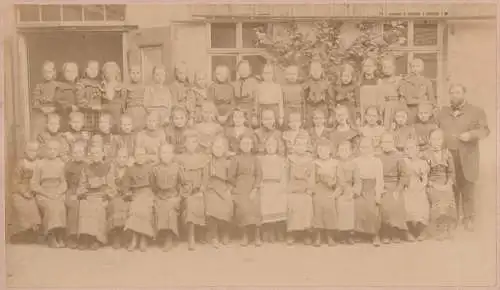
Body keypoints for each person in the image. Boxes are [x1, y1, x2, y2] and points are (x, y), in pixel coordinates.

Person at [437, 84, 490, 231]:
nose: (455, 95)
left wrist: (471, 135)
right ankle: (453, 219)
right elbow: (435, 130)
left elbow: (485, 130)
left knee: (467, 187)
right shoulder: (442, 112)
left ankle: (469, 219)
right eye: (452, 92)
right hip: (448, 155)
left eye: (458, 92)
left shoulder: (476, 111)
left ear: (464, 94)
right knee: (450, 187)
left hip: (467, 155)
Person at [76, 145, 115, 250]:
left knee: (98, 208)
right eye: (93, 153)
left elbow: (111, 186)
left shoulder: (108, 167)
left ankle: (97, 239)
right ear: (90, 156)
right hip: (89, 195)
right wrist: (82, 194)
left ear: (103, 154)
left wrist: (107, 197)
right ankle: (85, 237)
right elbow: (82, 184)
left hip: (101, 196)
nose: (95, 155)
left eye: (97, 153)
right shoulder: (86, 168)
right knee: (84, 205)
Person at [30, 139, 68, 248]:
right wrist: (46, 193)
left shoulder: (61, 164)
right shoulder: (39, 164)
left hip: (57, 191)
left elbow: (64, 182)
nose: (52, 151)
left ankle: (59, 234)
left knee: (60, 206)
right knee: (50, 206)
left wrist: (59, 192)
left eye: (55, 149)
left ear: (58, 151)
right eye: (50, 149)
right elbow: (34, 184)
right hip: (43, 192)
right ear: (45, 150)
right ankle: (51, 235)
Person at [229, 133, 263, 247]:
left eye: (249, 143)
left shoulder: (255, 159)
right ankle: (245, 235)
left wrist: (254, 189)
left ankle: (257, 235)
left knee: (255, 204)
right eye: (244, 143)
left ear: (252, 145)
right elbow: (231, 176)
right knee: (242, 206)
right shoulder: (236, 159)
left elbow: (259, 175)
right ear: (240, 145)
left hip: (253, 186)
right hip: (240, 187)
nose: (246, 145)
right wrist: (237, 187)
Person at [178, 130, 210, 251]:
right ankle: (191, 235)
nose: (192, 145)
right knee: (191, 202)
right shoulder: (180, 159)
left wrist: (202, 187)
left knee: (202, 199)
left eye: (195, 142)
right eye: (189, 142)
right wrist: (186, 187)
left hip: (199, 189)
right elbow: (180, 176)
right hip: (186, 189)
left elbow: (205, 176)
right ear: (185, 144)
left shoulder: (202, 158)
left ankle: (201, 232)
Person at [424, 129, 456, 240]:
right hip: (431, 183)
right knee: (438, 197)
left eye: (439, 139)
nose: (436, 142)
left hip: (445, 182)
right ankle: (439, 229)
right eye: (433, 139)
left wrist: (448, 184)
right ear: (429, 140)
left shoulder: (447, 153)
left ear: (442, 141)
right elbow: (423, 175)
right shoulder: (425, 154)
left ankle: (448, 227)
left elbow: (451, 172)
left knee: (448, 194)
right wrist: (432, 184)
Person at [123, 147, 155, 252]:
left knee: (145, 210)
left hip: (147, 193)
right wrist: (128, 193)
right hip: (135, 193)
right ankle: (134, 239)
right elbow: (126, 185)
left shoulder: (150, 168)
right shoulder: (129, 169)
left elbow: (153, 184)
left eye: (142, 155)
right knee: (135, 209)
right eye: (138, 155)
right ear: (134, 157)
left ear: (145, 156)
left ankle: (143, 238)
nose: (140, 157)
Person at [378, 132, 409, 243]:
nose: (387, 144)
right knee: (384, 204)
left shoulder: (399, 156)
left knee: (397, 202)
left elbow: (404, 175)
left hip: (395, 185)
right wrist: (380, 187)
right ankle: (385, 232)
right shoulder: (378, 156)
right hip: (382, 185)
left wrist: (398, 189)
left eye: (389, 142)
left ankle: (395, 232)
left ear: (393, 143)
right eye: (384, 142)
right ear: (380, 144)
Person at [353, 137, 384, 246]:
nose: (364, 150)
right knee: (357, 205)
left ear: (372, 148)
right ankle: (359, 233)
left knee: (372, 207)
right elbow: (354, 179)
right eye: (362, 147)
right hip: (359, 187)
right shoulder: (355, 161)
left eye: (367, 147)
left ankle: (375, 234)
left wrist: (378, 194)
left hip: (372, 187)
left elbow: (379, 180)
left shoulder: (376, 161)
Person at [286, 131, 315, 245]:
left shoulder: (310, 160)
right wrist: (287, 188)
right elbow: (286, 174)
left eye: (302, 144)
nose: (300, 147)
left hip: (304, 187)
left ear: (306, 146)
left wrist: (310, 189)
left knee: (307, 202)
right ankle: (291, 233)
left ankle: (305, 233)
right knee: (292, 203)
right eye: (297, 144)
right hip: (292, 187)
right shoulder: (290, 159)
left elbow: (312, 176)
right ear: (293, 146)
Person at [10, 141, 42, 244]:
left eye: (35, 150)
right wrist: (24, 192)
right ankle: (23, 232)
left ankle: (34, 232)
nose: (33, 153)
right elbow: (15, 182)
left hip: (37, 189)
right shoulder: (21, 163)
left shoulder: (40, 163)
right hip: (23, 189)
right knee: (22, 203)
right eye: (30, 150)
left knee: (35, 202)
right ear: (25, 151)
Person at [151, 144, 182, 252]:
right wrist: (157, 195)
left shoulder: (177, 167)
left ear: (172, 155)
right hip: (160, 195)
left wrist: (179, 196)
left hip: (173, 195)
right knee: (159, 207)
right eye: (163, 153)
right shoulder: (155, 169)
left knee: (170, 209)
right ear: (159, 155)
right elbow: (153, 186)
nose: (166, 155)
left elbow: (182, 183)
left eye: (168, 153)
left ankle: (169, 237)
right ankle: (161, 235)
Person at [312, 139, 342, 247]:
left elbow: (340, 181)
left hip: (331, 189)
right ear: (317, 151)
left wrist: (336, 192)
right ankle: (318, 235)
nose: (323, 152)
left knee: (330, 204)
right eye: (320, 150)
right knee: (317, 203)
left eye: (326, 150)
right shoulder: (314, 163)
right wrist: (313, 191)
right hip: (319, 188)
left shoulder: (335, 163)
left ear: (330, 151)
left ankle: (330, 235)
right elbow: (312, 180)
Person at [205, 136, 233, 248]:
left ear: (225, 149)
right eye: (215, 147)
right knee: (211, 206)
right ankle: (214, 235)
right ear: (212, 148)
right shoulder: (208, 160)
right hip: (211, 188)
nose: (218, 149)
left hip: (224, 187)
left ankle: (225, 232)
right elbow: (205, 177)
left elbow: (231, 178)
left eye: (221, 147)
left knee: (227, 203)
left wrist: (229, 188)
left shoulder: (228, 162)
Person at [258, 136, 287, 243]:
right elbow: (259, 174)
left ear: (277, 147)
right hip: (265, 185)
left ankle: (278, 231)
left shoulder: (281, 160)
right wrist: (260, 184)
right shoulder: (261, 159)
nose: (270, 148)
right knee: (266, 206)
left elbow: (284, 175)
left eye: (273, 145)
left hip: (277, 185)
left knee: (279, 205)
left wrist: (282, 187)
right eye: (268, 145)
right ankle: (268, 231)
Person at [402, 139, 429, 241]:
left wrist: (421, 187)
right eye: (407, 149)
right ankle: (407, 231)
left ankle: (421, 230)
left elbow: (424, 180)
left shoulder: (423, 163)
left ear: (418, 149)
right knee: (406, 201)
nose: (410, 151)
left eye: (412, 148)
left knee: (421, 201)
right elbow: (402, 177)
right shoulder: (404, 162)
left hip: (418, 187)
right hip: (407, 187)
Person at [336, 141, 360, 244]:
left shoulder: (354, 164)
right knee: (340, 203)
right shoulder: (335, 163)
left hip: (350, 189)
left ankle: (350, 233)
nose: (344, 152)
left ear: (350, 151)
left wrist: (353, 191)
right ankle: (341, 233)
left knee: (350, 203)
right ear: (337, 152)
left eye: (346, 150)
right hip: (337, 189)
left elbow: (358, 180)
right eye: (341, 150)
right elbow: (336, 180)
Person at [64, 141, 87, 249]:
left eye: (80, 152)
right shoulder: (68, 165)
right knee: (74, 204)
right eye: (76, 152)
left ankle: (84, 236)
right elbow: (64, 181)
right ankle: (71, 236)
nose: (78, 154)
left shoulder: (88, 165)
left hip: (85, 191)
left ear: (84, 153)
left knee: (87, 205)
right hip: (71, 190)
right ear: (72, 154)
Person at [107, 147, 132, 249]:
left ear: (127, 158)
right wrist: (115, 192)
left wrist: (128, 193)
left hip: (127, 196)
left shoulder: (130, 169)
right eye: (120, 157)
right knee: (116, 205)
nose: (122, 159)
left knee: (128, 206)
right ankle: (116, 236)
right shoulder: (112, 169)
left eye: (124, 157)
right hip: (115, 195)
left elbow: (133, 184)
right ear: (116, 158)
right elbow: (110, 184)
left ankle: (125, 236)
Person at [399, 58, 435, 124]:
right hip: (409, 110)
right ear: (410, 68)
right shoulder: (405, 81)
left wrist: (427, 109)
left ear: (422, 68)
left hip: (423, 112)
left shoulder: (426, 81)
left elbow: (432, 99)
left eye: (418, 66)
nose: (415, 68)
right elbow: (406, 100)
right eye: (413, 66)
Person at [31, 61, 58, 139]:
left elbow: (60, 100)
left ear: (54, 72)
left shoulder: (57, 86)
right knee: (38, 127)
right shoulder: (39, 86)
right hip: (42, 113)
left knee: (54, 127)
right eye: (45, 72)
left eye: (49, 72)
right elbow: (35, 100)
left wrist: (54, 108)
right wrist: (41, 108)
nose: (47, 74)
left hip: (54, 113)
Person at [378, 55, 404, 130]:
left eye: (389, 67)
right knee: (386, 126)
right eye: (384, 67)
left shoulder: (399, 80)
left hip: (396, 106)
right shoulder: (381, 81)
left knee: (396, 125)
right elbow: (379, 96)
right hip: (384, 107)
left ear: (394, 68)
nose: (386, 69)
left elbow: (402, 96)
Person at [76, 60, 102, 132]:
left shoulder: (99, 84)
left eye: (96, 69)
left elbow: (102, 98)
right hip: (86, 112)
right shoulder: (81, 83)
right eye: (91, 69)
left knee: (97, 130)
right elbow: (79, 98)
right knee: (86, 130)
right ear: (86, 70)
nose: (94, 71)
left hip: (98, 113)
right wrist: (89, 105)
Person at [303, 60, 331, 128]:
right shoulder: (308, 83)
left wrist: (330, 112)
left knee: (323, 123)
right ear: (310, 71)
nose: (315, 72)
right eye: (313, 70)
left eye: (318, 70)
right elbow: (304, 98)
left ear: (321, 71)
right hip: (311, 106)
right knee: (310, 123)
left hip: (322, 106)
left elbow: (329, 98)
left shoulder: (326, 83)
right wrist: (305, 111)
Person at [232, 60, 259, 128]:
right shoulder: (234, 84)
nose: (243, 71)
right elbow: (233, 100)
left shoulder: (254, 82)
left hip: (250, 111)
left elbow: (256, 100)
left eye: (245, 69)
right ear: (237, 70)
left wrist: (254, 115)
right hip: (238, 111)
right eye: (241, 69)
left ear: (249, 70)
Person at [101, 61, 126, 133]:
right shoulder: (102, 86)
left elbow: (124, 100)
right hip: (105, 111)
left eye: (112, 72)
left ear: (116, 73)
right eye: (107, 72)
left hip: (117, 112)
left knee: (117, 129)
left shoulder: (120, 86)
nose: (109, 75)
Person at [54, 62, 78, 131]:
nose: (71, 73)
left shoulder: (79, 86)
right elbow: (57, 101)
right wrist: (69, 106)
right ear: (63, 73)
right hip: (64, 116)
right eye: (68, 71)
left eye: (73, 71)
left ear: (77, 73)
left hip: (78, 117)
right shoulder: (59, 86)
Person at [359, 57, 383, 124]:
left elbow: (380, 99)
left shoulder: (378, 81)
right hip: (363, 113)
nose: (368, 68)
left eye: (370, 66)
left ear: (375, 67)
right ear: (363, 68)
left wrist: (379, 113)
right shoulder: (360, 82)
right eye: (366, 66)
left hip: (374, 113)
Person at [124, 65, 147, 132]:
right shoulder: (126, 87)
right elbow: (124, 101)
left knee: (141, 130)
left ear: (141, 74)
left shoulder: (144, 87)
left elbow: (147, 100)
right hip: (130, 110)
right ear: (129, 74)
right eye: (133, 73)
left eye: (137, 73)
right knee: (131, 129)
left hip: (141, 111)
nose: (135, 75)